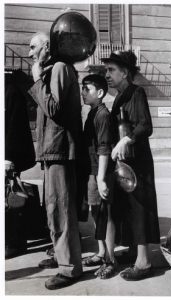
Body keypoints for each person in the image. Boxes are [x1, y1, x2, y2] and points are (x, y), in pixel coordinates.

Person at [28, 32, 83, 290]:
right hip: (53, 151)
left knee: (60, 209)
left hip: (60, 150)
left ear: (47, 47)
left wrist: (37, 79)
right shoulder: (55, 68)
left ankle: (69, 268)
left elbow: (54, 110)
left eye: (33, 47)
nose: (29, 53)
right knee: (54, 209)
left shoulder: (59, 68)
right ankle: (62, 257)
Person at [101, 50, 160, 281]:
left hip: (138, 163)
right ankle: (136, 251)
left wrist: (126, 140)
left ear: (125, 72)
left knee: (139, 210)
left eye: (111, 70)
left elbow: (145, 126)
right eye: (106, 70)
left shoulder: (137, 92)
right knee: (129, 209)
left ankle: (144, 263)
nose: (107, 74)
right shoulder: (119, 96)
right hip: (126, 163)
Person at [81, 74, 117, 279]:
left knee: (106, 216)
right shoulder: (92, 113)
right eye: (83, 88)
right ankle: (102, 252)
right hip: (93, 171)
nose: (83, 92)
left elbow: (104, 148)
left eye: (88, 89)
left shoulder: (102, 115)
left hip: (101, 172)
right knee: (96, 213)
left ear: (101, 93)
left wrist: (102, 178)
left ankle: (111, 260)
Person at [5, 72, 36, 259]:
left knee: (11, 201)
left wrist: (8, 157)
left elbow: (14, 127)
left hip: (7, 157)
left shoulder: (11, 92)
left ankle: (15, 243)